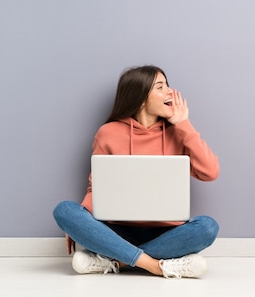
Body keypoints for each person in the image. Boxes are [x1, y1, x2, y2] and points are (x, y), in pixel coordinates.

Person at [53, 65, 220, 278]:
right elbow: (98, 187)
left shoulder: (179, 132)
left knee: (207, 227)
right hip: (117, 230)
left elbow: (211, 172)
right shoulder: (109, 133)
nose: (170, 92)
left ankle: (117, 262)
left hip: (165, 232)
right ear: (141, 99)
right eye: (160, 87)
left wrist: (184, 124)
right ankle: (157, 265)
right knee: (65, 211)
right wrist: (81, 223)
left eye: (167, 85)